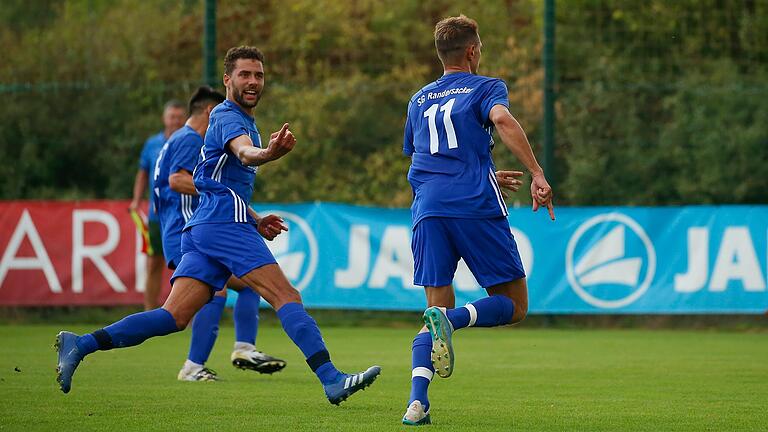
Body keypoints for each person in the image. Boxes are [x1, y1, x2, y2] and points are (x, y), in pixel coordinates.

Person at [56, 46, 380, 405]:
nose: (253, 81)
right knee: (285, 296)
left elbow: (215, 182)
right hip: (225, 225)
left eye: (258, 75)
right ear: (227, 80)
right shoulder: (228, 117)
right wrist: (268, 154)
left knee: (173, 316)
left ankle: (81, 344)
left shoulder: (240, 120)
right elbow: (244, 153)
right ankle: (332, 379)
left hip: (205, 226)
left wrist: (256, 218)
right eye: (244, 74)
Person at [400, 15, 555, 425]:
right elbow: (502, 120)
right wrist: (537, 173)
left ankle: (417, 402)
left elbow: (426, 157)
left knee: (433, 309)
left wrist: (485, 172)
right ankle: (453, 320)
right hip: (473, 204)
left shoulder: (418, 99)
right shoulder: (486, 86)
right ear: (472, 51)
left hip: (428, 209)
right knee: (515, 305)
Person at [152, 86, 285, 381]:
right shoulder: (189, 138)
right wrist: (215, 189)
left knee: (248, 285)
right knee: (216, 291)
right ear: (211, 113)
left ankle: (244, 348)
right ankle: (194, 366)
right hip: (188, 228)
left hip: (184, 226)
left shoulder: (179, 139)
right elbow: (176, 180)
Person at [130, 100, 187, 310]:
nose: (176, 121)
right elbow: (143, 172)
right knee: (154, 264)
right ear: (165, 118)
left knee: (186, 266)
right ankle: (149, 312)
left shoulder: (192, 142)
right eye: (172, 117)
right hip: (157, 215)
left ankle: (186, 313)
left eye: (180, 117)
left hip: (185, 214)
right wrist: (136, 200)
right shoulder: (153, 144)